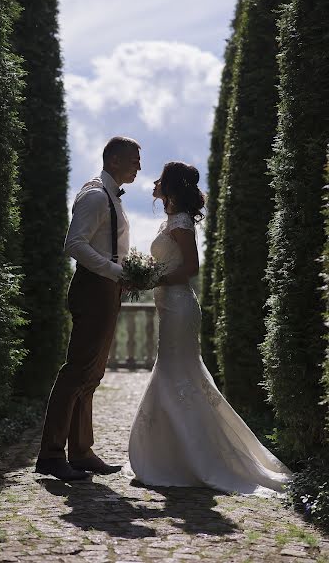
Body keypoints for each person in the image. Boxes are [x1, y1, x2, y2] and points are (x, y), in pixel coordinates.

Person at [125, 161, 293, 497]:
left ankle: (191, 459)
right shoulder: (171, 221)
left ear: (171, 188)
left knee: (177, 374)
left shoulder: (182, 223)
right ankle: (174, 455)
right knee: (176, 373)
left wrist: (151, 277)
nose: (154, 183)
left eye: (160, 179)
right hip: (168, 305)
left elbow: (191, 267)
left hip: (179, 306)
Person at [35, 136, 141, 481]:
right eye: (133, 160)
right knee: (77, 370)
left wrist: (122, 276)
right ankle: (51, 455)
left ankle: (81, 451)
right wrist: (114, 271)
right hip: (93, 288)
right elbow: (74, 244)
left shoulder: (110, 196)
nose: (138, 166)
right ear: (113, 160)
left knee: (92, 374)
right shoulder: (95, 195)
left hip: (106, 289)